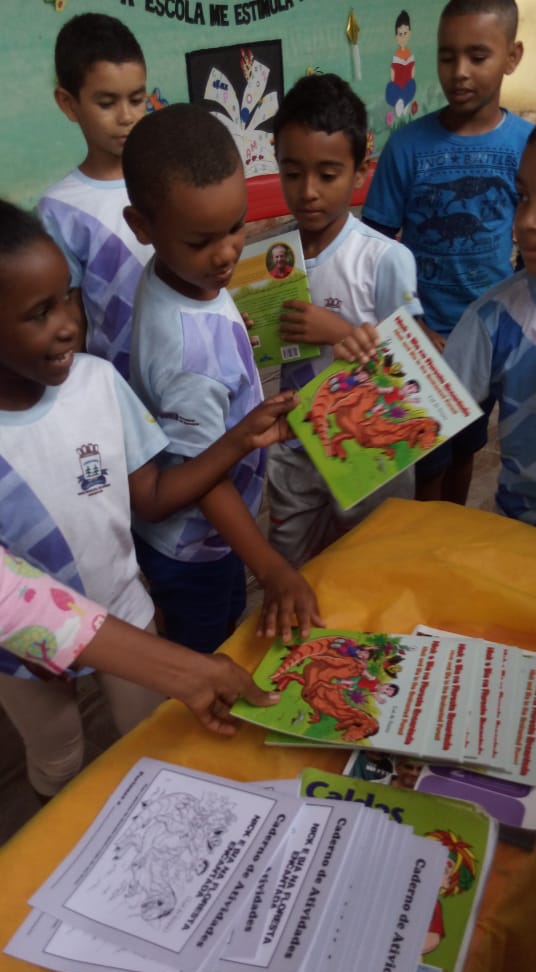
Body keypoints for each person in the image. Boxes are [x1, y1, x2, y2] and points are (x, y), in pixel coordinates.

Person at [0, 199, 298, 796]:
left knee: (152, 735)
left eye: (68, 298)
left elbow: (156, 496)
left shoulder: (98, 384)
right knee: (57, 757)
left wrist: (238, 439)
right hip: (18, 650)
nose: (69, 323)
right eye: (39, 313)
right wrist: (29, 639)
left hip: (124, 611)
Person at [122, 104, 323, 654]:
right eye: (202, 241)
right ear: (142, 227)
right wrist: (271, 567)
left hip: (208, 537)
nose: (228, 252)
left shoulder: (175, 275)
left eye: (236, 227)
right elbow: (203, 478)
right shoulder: (191, 360)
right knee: (208, 656)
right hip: (196, 548)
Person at [363, 0, 530, 504]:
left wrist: (519, 324)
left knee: (465, 450)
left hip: (488, 340)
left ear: (512, 56)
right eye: (446, 56)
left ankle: (452, 535)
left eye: (477, 56)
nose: (459, 72)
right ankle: (425, 540)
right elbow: (373, 248)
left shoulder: (528, 145)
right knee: (425, 459)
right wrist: (407, 325)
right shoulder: (407, 146)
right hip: (421, 337)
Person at [264, 72, 423, 568]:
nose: (308, 191)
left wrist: (340, 333)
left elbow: (415, 376)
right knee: (292, 568)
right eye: (293, 173)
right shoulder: (271, 258)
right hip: (295, 441)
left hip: (369, 448)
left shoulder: (383, 260)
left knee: (369, 566)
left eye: (328, 174)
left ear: (359, 173)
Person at [440, 93, 536, 538]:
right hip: (522, 543)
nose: (527, 221)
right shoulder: (494, 319)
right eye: (522, 197)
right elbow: (418, 417)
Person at [0, 547, 280, 742]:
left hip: (116, 602)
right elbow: (10, 596)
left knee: (151, 727)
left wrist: (188, 673)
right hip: (26, 637)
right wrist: (187, 672)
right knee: (57, 752)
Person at [37, 13, 151, 379]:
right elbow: (70, 325)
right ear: (68, 104)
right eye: (107, 103)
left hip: (194, 376)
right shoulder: (59, 211)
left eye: (137, 99)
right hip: (121, 388)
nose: (127, 116)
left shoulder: (168, 177)